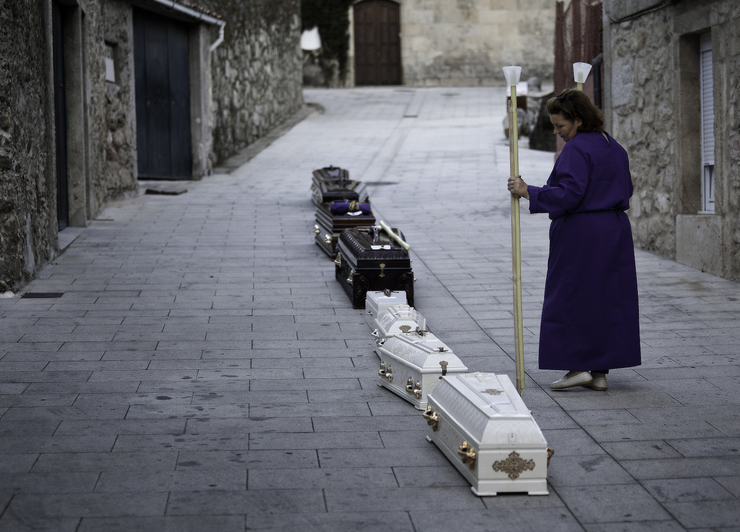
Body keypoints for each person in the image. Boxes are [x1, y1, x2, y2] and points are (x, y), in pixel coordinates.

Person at [507, 88, 641, 391]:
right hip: (615, 229)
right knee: (606, 299)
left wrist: (528, 190)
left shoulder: (577, 149)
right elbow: (626, 188)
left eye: (560, 126)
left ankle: (577, 366)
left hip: (583, 233)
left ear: (578, 121)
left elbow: (570, 193)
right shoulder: (613, 145)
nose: (557, 132)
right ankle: (600, 372)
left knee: (574, 297)